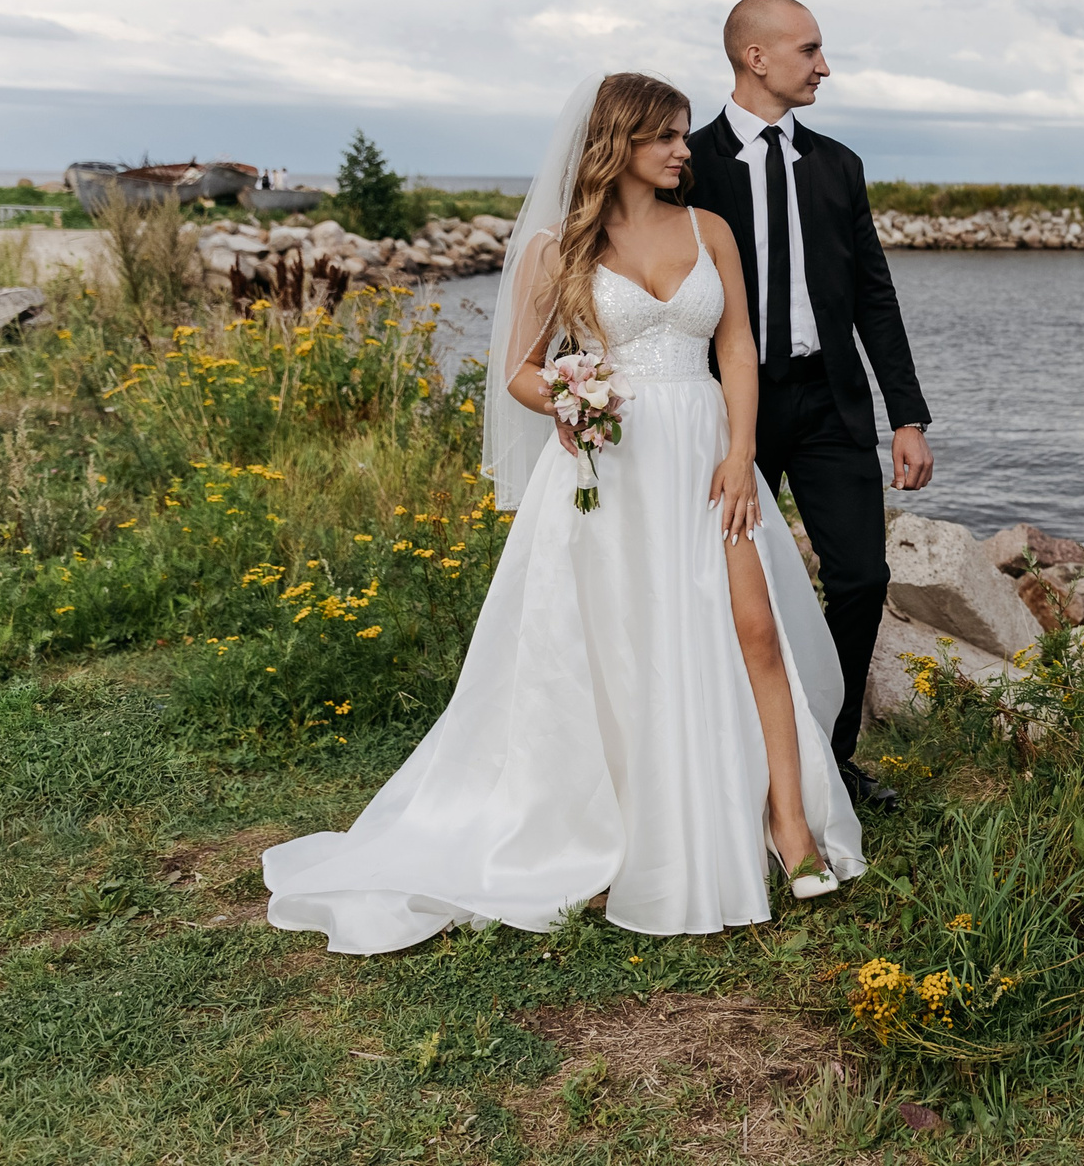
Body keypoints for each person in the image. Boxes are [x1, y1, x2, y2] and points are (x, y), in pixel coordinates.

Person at [262, 72, 861, 955]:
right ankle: (625, 828)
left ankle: (791, 827)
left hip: (705, 460)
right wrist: (576, 401)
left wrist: (741, 456)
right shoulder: (558, 249)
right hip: (609, 472)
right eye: (663, 137)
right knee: (621, 653)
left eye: (683, 135)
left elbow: (737, 347)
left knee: (755, 634)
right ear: (616, 145)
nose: (680, 151)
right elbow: (520, 370)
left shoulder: (712, 231)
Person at [684, 0, 933, 812]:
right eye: (809, 50)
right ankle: (726, 757)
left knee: (861, 579)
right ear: (756, 58)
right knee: (712, 585)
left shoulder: (839, 165)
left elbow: (874, 295)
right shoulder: (684, 164)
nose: (824, 66)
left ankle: (831, 758)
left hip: (828, 401)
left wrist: (907, 415)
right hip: (723, 410)